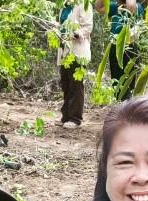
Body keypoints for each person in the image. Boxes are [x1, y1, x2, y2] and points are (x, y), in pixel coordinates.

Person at [95, 0, 145, 101]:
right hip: (115, 46)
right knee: (116, 80)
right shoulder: (114, 7)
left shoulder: (137, 7)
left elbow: (130, 6)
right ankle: (120, 104)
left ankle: (128, 104)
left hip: (130, 47)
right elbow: (98, 7)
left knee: (128, 80)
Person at [57, 0, 93, 129]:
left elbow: (87, 27)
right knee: (66, 83)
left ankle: (75, 118)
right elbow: (62, 24)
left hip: (78, 50)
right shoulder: (64, 4)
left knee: (75, 85)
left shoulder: (84, 4)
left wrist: (75, 33)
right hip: (65, 50)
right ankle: (65, 116)